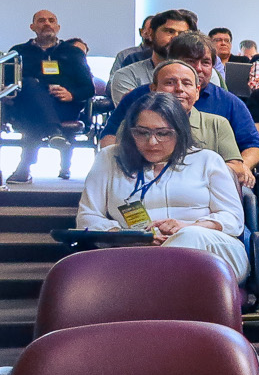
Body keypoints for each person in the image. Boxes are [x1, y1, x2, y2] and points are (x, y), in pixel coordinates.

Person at [77, 93, 247, 279]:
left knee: (190, 237)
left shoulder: (207, 159)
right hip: (134, 250)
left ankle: (149, 287)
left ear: (180, 131)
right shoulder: (110, 158)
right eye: (142, 132)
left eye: (163, 133)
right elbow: (87, 217)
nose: (152, 142)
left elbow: (233, 220)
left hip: (211, 250)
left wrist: (188, 226)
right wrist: (127, 235)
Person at [107, 33, 259, 181]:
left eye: (205, 62)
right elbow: (110, 137)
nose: (199, 68)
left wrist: (241, 168)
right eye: (190, 61)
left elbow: (253, 146)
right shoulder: (140, 97)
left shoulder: (229, 103)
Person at [7, 9, 92, 183]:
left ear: (58, 27)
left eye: (51, 20)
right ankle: (54, 131)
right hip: (26, 106)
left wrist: (71, 94)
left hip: (63, 106)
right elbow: (8, 85)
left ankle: (23, 169)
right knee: (29, 84)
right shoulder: (18, 52)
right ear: (32, 27)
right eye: (41, 20)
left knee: (35, 115)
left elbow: (88, 88)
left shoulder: (73, 53)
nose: (47, 24)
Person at [147, 63, 246, 174]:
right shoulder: (134, 125)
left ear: (197, 91)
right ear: (153, 89)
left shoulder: (217, 124)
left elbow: (237, 169)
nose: (179, 88)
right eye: (169, 83)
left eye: (186, 83)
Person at [106, 9, 196, 103]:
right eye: (169, 31)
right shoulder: (128, 75)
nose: (175, 38)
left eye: (181, 34)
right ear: (151, 33)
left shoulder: (199, 72)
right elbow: (135, 115)